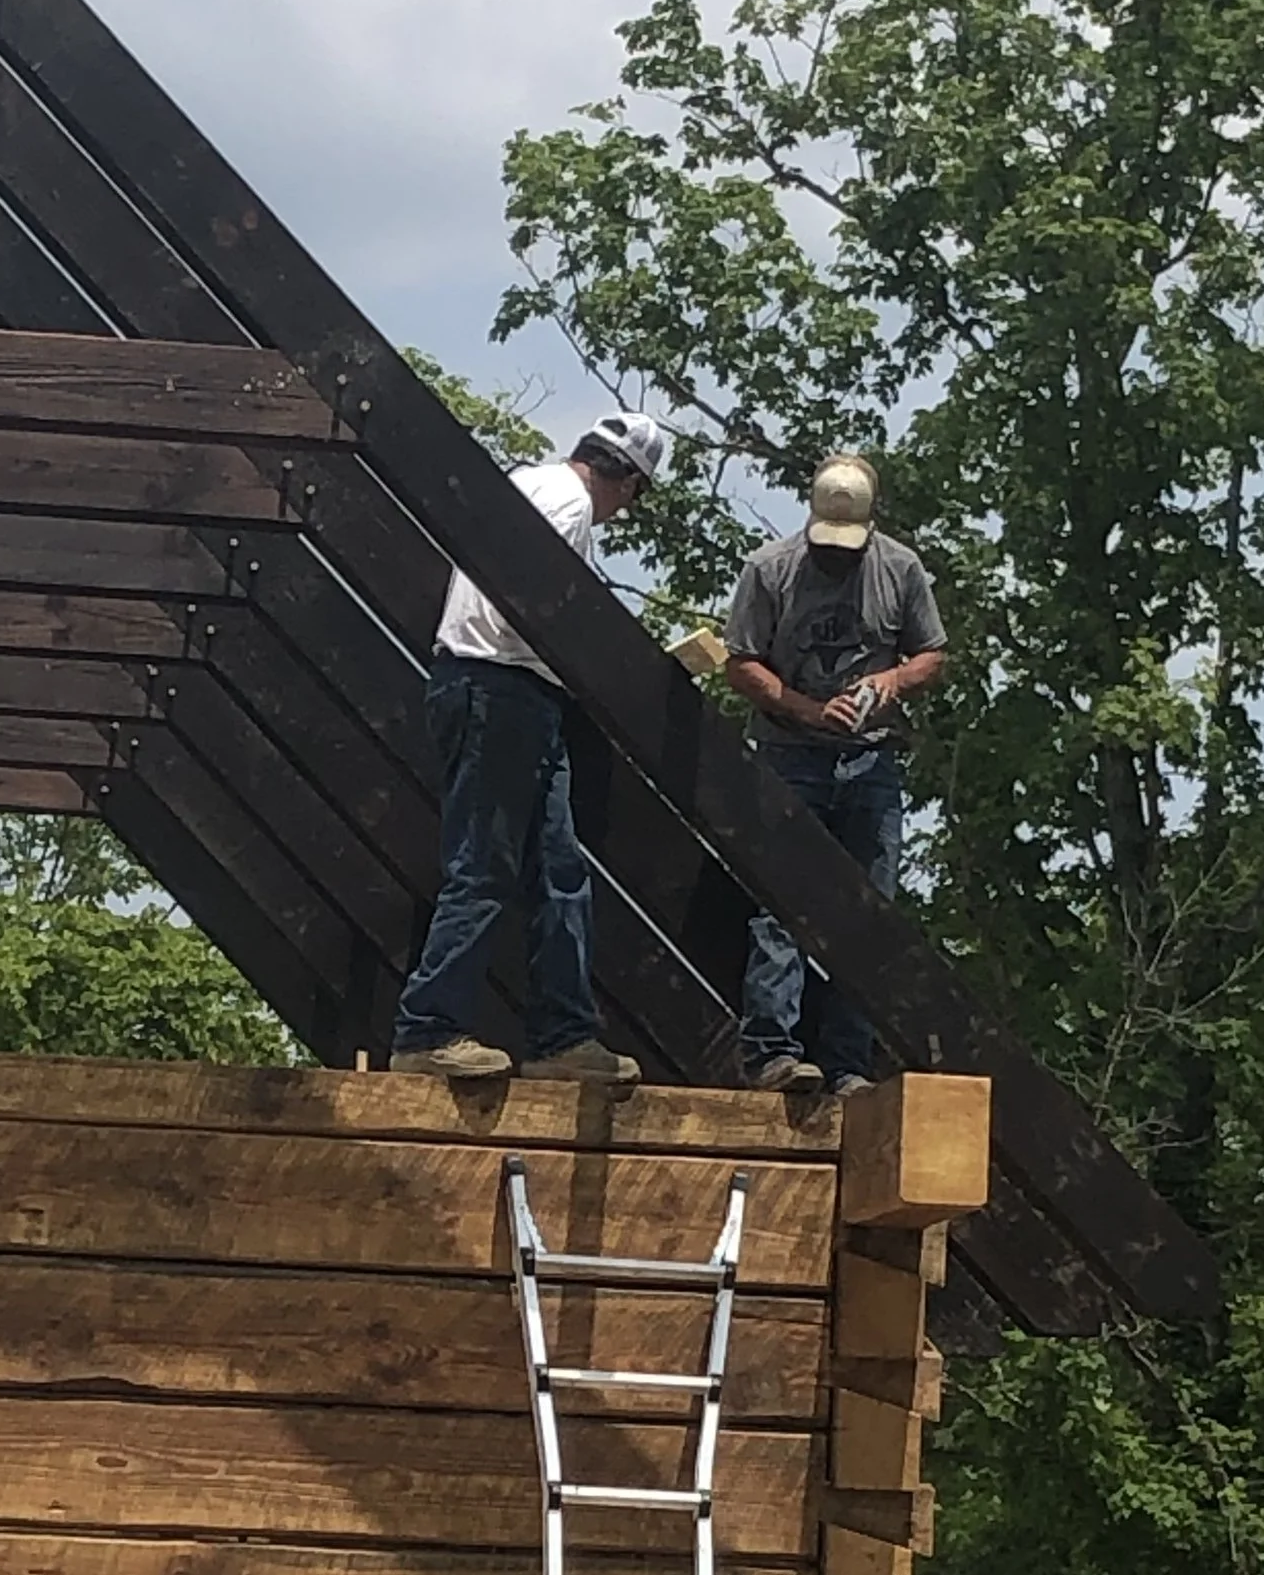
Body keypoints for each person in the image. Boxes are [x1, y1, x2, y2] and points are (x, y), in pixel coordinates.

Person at [389, 411, 671, 1084]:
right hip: (501, 688)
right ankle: (428, 1031)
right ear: (627, 480)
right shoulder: (570, 504)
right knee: (484, 867)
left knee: (558, 871)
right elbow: (534, 604)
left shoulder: (527, 483)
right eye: (632, 496)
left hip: (508, 692)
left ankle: (564, 1038)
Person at [725, 453, 946, 1093]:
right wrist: (805, 709)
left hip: (870, 759)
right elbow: (741, 661)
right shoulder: (770, 569)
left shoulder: (900, 568)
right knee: (781, 904)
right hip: (789, 753)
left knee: (866, 910)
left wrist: (889, 681)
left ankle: (849, 1062)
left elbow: (931, 654)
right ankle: (773, 1053)